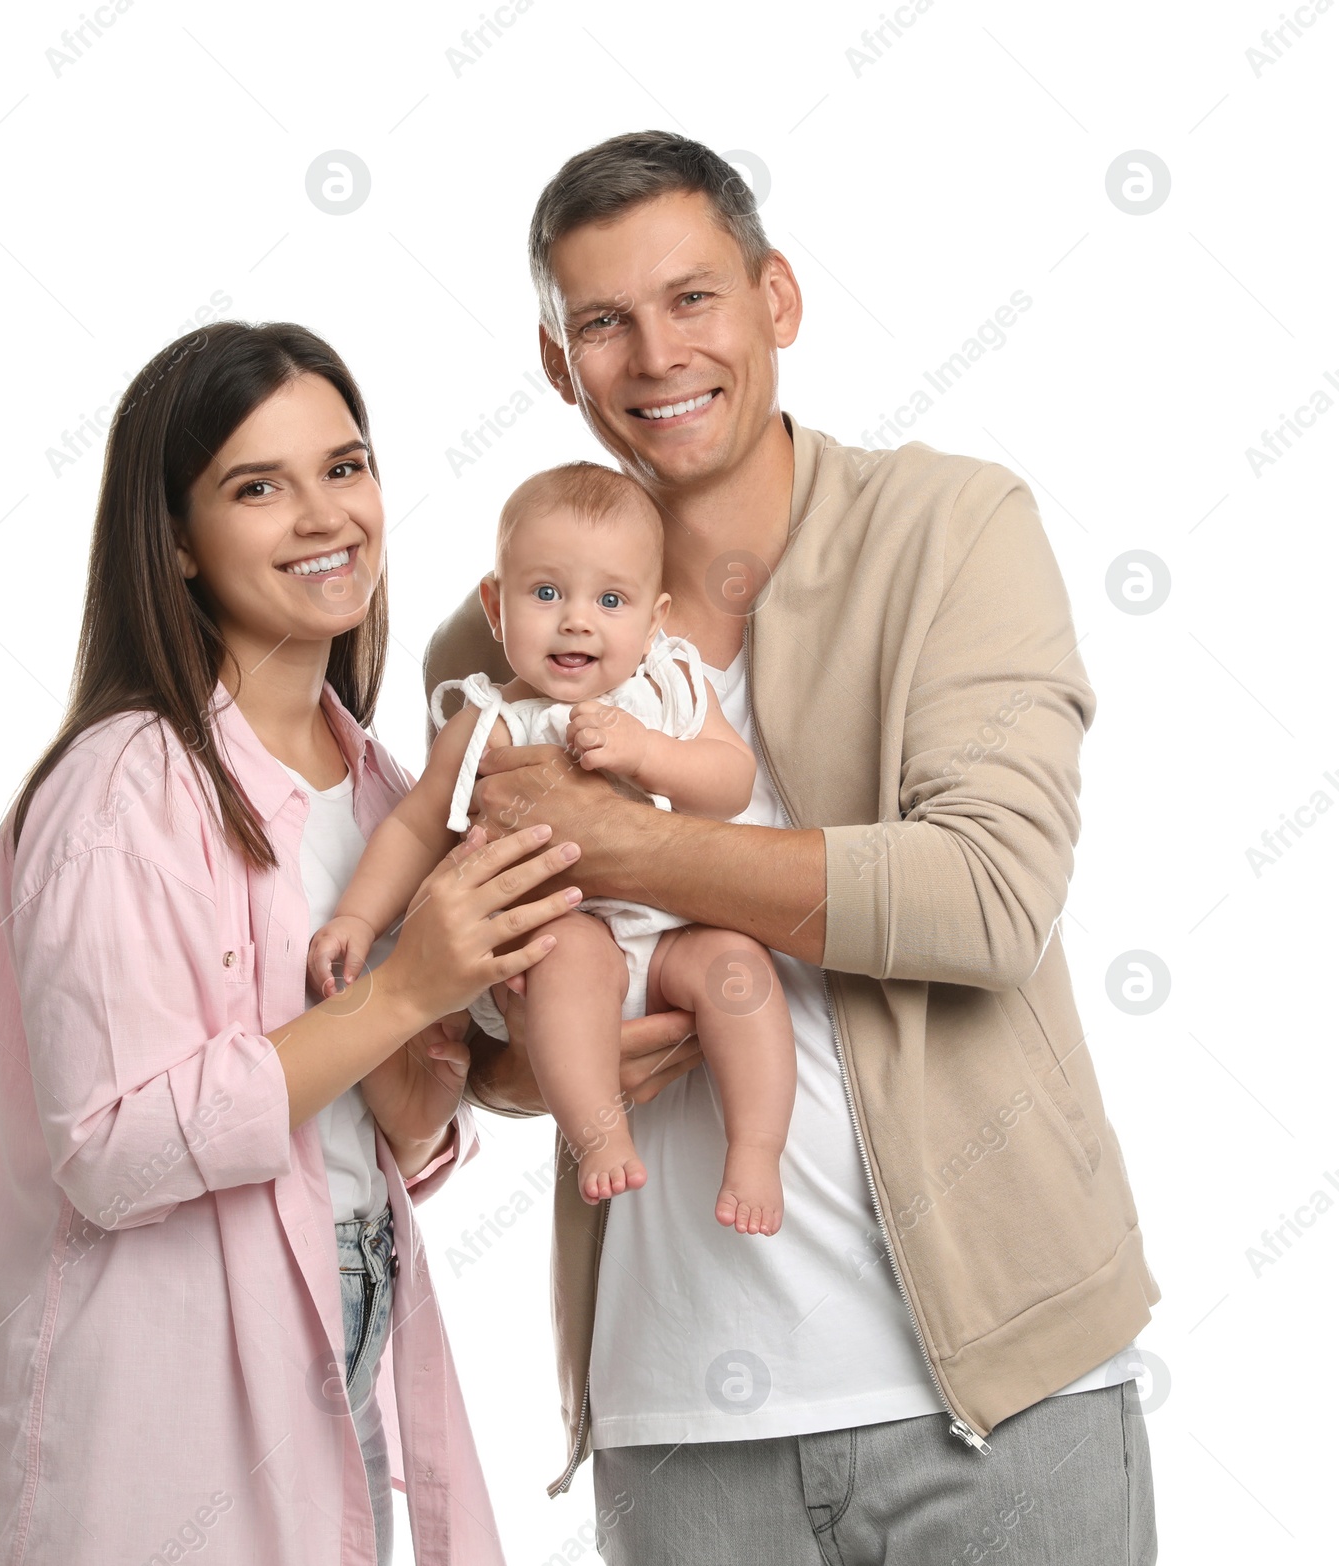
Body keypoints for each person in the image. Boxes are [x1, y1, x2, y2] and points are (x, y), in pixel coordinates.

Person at [425, 132, 1161, 1563]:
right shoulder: (499, 644)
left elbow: (992, 894)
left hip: (997, 1400)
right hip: (675, 1422)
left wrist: (633, 849)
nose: (654, 355)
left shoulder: (948, 528)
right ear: (555, 361)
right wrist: (523, 1064)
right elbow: (487, 1011)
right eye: (603, 321)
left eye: (693, 298)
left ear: (778, 300)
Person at [0, 320, 587, 1566]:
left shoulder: (382, 788)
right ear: (177, 543)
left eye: (344, 468)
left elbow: (390, 1128)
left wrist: (471, 1030)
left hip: (343, 1332)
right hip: (163, 1401)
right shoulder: (125, 787)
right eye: (259, 486)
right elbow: (112, 1150)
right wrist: (402, 988)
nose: (324, 515)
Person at [309, 460, 794, 1232]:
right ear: (496, 609)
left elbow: (729, 781)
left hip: (669, 939)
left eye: (610, 599)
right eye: (546, 593)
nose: (577, 620)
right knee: (570, 952)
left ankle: (757, 1151)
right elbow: (414, 823)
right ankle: (598, 1133)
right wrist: (360, 921)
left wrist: (645, 755)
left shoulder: (668, 689)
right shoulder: (488, 719)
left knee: (739, 964)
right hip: (563, 940)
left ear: (655, 617)